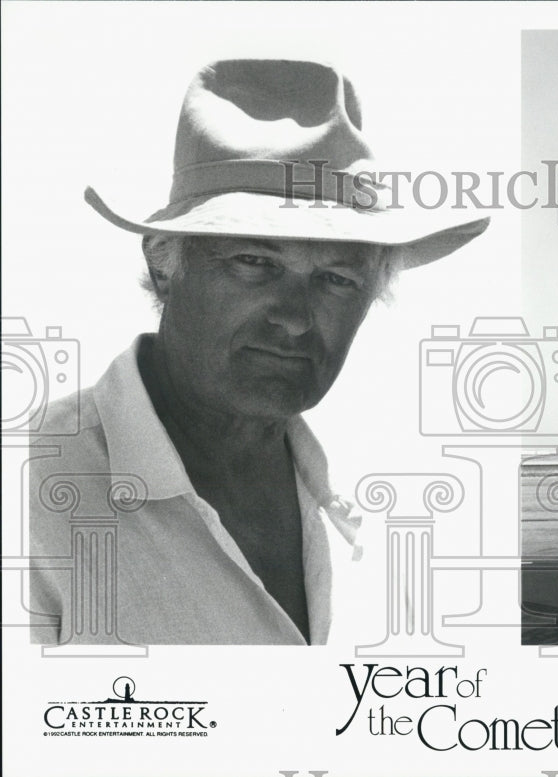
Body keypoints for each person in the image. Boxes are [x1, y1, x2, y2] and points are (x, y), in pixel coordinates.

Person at [28, 59, 489, 646]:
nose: (295, 320)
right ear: (164, 264)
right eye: (255, 263)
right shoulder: (30, 483)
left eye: (337, 280)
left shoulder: (381, 496)